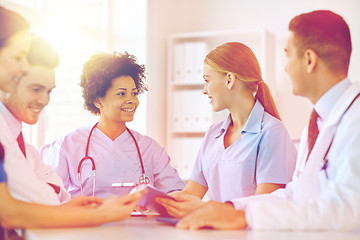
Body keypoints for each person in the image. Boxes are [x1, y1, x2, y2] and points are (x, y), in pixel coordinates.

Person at [177, 10, 360, 231]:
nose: (286, 67)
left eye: (288, 55)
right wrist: (231, 208)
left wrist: (247, 217)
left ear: (309, 60)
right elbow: (295, 195)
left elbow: (348, 210)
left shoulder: (354, 120)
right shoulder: (318, 123)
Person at [0, 6, 145, 237]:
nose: (44, 100)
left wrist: (67, 206)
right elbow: (10, 211)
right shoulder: (61, 143)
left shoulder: (19, 141)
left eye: (134, 92)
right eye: (17, 58)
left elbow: (47, 195)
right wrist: (102, 214)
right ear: (97, 100)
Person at [157, 42, 297, 218]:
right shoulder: (212, 134)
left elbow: (264, 205)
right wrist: (157, 202)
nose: (204, 90)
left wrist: (203, 209)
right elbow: (190, 195)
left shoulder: (272, 132)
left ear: (229, 80)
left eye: (207, 81)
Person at [44, 51, 185, 198]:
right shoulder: (68, 145)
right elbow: (50, 197)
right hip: (88, 220)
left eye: (134, 93)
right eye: (122, 94)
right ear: (98, 101)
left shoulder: (150, 149)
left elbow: (176, 194)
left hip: (139, 221)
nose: (132, 101)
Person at [1, 34, 70, 204]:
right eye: (36, 89)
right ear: (10, 80)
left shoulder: (28, 151)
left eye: (49, 91)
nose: (45, 101)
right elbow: (39, 200)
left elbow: (62, 195)